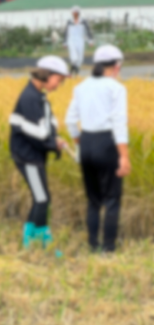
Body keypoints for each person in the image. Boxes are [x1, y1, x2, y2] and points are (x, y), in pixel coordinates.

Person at [65, 44, 129, 253]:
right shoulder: (116, 89)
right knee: (111, 199)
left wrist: (78, 142)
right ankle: (108, 248)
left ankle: (93, 245)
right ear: (116, 66)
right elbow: (119, 124)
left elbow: (70, 120)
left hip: (87, 143)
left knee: (93, 200)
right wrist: (124, 156)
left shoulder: (80, 87)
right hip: (107, 144)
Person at [9, 56, 69, 249]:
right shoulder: (30, 98)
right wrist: (53, 144)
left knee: (41, 198)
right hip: (27, 156)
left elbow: (48, 124)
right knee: (42, 198)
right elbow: (36, 133)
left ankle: (30, 240)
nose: (58, 85)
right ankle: (42, 242)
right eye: (58, 80)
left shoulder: (38, 96)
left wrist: (56, 137)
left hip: (33, 155)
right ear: (47, 75)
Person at [64, 6, 94, 76]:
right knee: (74, 57)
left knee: (80, 58)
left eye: (75, 13)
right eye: (73, 13)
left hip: (80, 40)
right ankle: (75, 72)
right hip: (71, 40)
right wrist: (65, 42)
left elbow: (88, 31)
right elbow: (66, 32)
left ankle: (72, 71)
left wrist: (90, 41)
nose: (74, 14)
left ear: (78, 13)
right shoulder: (69, 21)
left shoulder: (83, 21)